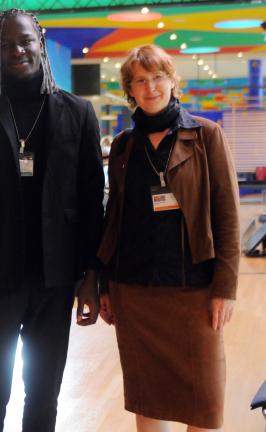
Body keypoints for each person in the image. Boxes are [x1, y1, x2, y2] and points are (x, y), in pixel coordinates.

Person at [0, 9, 104, 432]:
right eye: (5, 44)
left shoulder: (78, 112)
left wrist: (91, 276)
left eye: (24, 41)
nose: (16, 51)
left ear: (40, 41)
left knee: (43, 396)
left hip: (56, 282)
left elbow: (93, 202)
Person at [97, 44, 239, 432]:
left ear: (173, 81)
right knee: (149, 398)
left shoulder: (206, 136)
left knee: (206, 403)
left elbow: (227, 215)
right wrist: (104, 284)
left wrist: (225, 288)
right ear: (130, 90)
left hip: (194, 288)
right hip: (135, 291)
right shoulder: (124, 146)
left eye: (158, 76)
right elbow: (115, 219)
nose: (150, 86)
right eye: (140, 80)